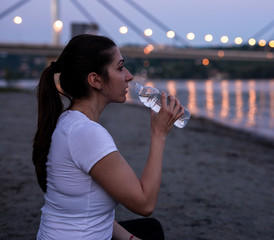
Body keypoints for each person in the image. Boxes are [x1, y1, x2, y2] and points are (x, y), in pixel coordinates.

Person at [32, 34, 184, 240]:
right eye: (120, 68)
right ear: (95, 80)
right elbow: (145, 203)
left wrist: (129, 239)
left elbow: (85, 207)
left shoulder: (69, 121)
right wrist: (159, 134)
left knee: (150, 229)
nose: (129, 76)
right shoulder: (87, 133)